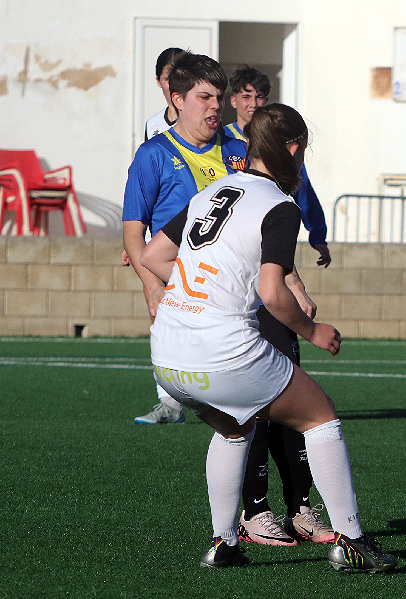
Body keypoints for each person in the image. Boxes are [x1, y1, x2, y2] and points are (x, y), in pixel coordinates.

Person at [139, 104, 397, 572]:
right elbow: (272, 293)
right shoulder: (280, 205)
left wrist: (198, 288)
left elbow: (153, 254)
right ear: (293, 149)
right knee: (320, 417)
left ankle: (222, 544)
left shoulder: (213, 191)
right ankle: (353, 542)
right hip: (222, 351)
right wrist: (313, 330)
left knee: (234, 430)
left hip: (168, 357)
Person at [220, 65, 335, 547]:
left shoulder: (280, 184)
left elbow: (283, 235)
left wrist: (297, 280)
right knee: (255, 417)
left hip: (273, 296)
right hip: (240, 311)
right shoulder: (222, 161)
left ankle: (300, 509)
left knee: (295, 410)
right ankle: (253, 512)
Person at [123, 52, 247, 427]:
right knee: (185, 380)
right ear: (177, 100)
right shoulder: (153, 154)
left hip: (236, 286)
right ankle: (171, 405)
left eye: (219, 98)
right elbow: (133, 232)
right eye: (204, 97)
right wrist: (150, 285)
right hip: (180, 285)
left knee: (241, 404)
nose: (216, 106)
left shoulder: (239, 150)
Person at [224, 65, 331, 268]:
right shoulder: (220, 140)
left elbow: (302, 187)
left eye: (260, 97)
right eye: (246, 97)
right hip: (228, 235)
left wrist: (318, 236)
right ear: (233, 100)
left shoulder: (279, 141)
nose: (253, 104)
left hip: (265, 234)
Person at [144, 48, 184, 141]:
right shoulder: (152, 124)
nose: (174, 85)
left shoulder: (200, 119)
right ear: (158, 81)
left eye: (179, 78)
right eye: (167, 79)